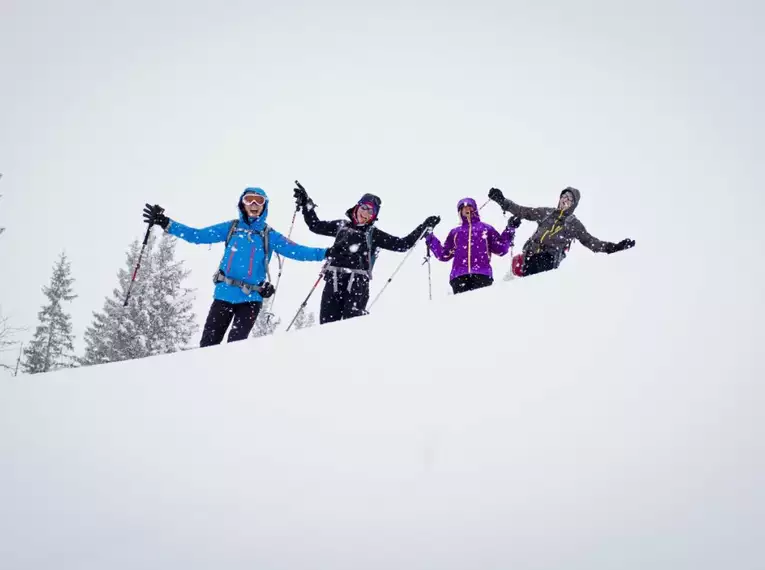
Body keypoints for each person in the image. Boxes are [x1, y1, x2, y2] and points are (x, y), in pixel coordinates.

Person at [142, 187, 329, 347]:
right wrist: (166, 223)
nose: (254, 204)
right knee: (207, 347)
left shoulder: (268, 234)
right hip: (224, 296)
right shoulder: (231, 227)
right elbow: (196, 235)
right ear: (243, 204)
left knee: (235, 351)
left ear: (264, 205)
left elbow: (297, 251)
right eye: (249, 199)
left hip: (250, 300)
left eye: (259, 200)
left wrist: (326, 253)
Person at [293, 185, 441, 324]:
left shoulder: (373, 233)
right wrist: (307, 205)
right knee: (326, 327)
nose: (365, 213)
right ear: (357, 207)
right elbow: (315, 225)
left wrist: (423, 227)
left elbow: (402, 244)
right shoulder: (340, 226)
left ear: (374, 216)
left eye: (371, 211)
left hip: (358, 284)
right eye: (364, 208)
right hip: (333, 281)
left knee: (351, 328)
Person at [488, 186, 635, 277]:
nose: (565, 199)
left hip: (549, 258)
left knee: (536, 276)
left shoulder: (573, 224)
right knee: (524, 281)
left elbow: (591, 242)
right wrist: (502, 201)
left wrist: (613, 247)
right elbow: (522, 211)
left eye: (569, 198)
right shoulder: (547, 213)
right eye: (563, 196)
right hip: (531, 255)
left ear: (573, 204)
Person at [426, 197, 521, 294]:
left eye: (469, 206)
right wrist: (430, 237)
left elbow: (501, 249)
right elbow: (443, 254)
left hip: (482, 274)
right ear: (460, 212)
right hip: (459, 276)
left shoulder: (486, 228)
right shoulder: (455, 232)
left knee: (480, 306)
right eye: (463, 207)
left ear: (474, 208)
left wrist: (510, 229)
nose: (466, 209)